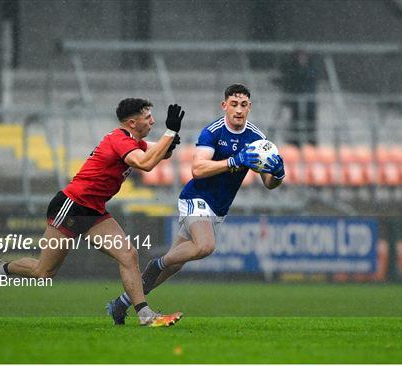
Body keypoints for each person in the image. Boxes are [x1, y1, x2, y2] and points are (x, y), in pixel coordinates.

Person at [0, 98, 185, 327]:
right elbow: (146, 164)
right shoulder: (119, 139)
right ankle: (0, 268)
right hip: (71, 206)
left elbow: (156, 153)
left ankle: (145, 315)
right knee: (44, 272)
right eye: (148, 117)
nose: (153, 121)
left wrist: (168, 145)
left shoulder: (135, 143)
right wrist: (169, 132)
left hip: (94, 211)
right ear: (132, 122)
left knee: (128, 254)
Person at [107, 84, 285, 325]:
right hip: (196, 199)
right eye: (233, 104)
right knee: (206, 245)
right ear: (224, 106)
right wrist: (234, 160)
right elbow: (198, 169)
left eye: (243, 105)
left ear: (249, 107)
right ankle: (157, 262)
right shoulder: (212, 132)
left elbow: (268, 183)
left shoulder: (257, 139)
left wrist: (278, 174)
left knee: (175, 264)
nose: (238, 110)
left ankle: (122, 304)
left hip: (218, 209)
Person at [280, 50, 318, 146]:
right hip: (296, 102)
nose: (302, 59)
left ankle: (311, 146)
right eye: (301, 57)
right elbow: (290, 82)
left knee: (310, 125)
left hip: (309, 102)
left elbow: (310, 82)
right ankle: (295, 145)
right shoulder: (293, 69)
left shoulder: (311, 69)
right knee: (295, 123)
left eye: (304, 57)